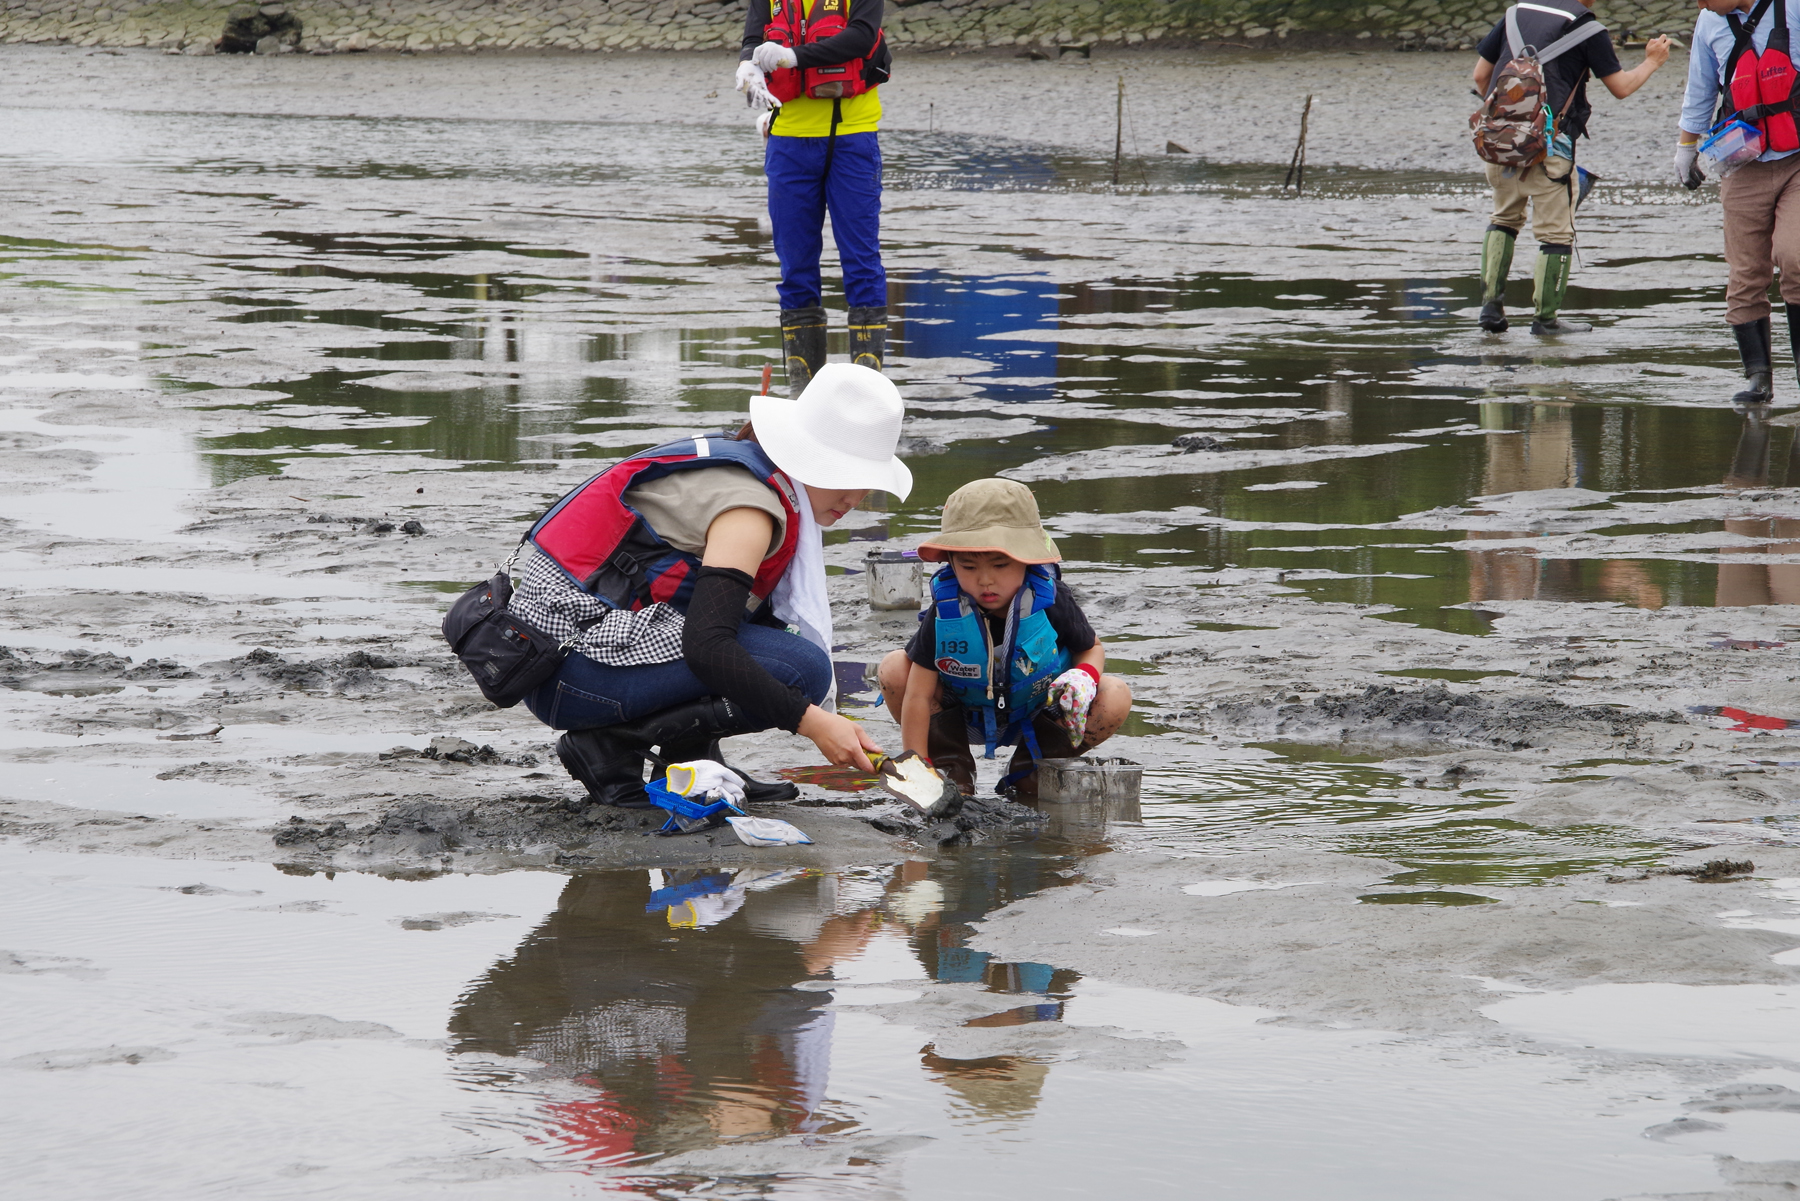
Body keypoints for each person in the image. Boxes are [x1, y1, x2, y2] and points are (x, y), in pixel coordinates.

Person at [508, 363, 908, 808]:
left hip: (566, 657)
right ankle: (608, 744)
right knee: (802, 669)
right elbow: (707, 645)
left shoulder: (756, 469)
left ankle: (693, 758)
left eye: (867, 482)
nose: (856, 499)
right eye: (848, 475)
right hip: (564, 674)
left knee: (770, 637)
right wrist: (810, 721)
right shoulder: (750, 509)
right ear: (811, 457)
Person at [876, 478, 1132, 800]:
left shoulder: (1050, 600)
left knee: (1115, 695)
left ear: (1028, 559)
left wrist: (1084, 676)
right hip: (964, 713)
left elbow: (1091, 648)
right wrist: (916, 765)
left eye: (1000, 564)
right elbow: (916, 695)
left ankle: (1030, 773)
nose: (985, 580)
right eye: (968, 566)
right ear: (951, 564)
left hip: (1041, 713)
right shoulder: (946, 611)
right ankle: (953, 773)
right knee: (894, 669)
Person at [1471, 1, 1670, 334]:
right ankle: (1545, 320)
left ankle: (1490, 311)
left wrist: (1510, 121)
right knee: (1555, 235)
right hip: (1551, 148)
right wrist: (1652, 61)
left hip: (1498, 144)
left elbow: (1481, 76)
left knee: (1503, 219)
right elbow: (1620, 87)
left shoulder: (1514, 13)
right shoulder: (1588, 28)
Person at [736, 0, 892, 394]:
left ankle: (867, 399)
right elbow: (754, 39)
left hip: (853, 139)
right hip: (788, 142)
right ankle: (804, 395)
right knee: (795, 266)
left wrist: (792, 56)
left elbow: (860, 38)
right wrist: (748, 67)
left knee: (861, 260)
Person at [1676, 0, 1800, 404]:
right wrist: (1686, 148)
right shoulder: (1708, 21)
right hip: (1743, 162)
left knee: (1795, 256)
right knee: (1746, 272)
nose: (1699, 2)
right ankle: (1758, 379)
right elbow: (1700, 86)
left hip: (1798, 158)